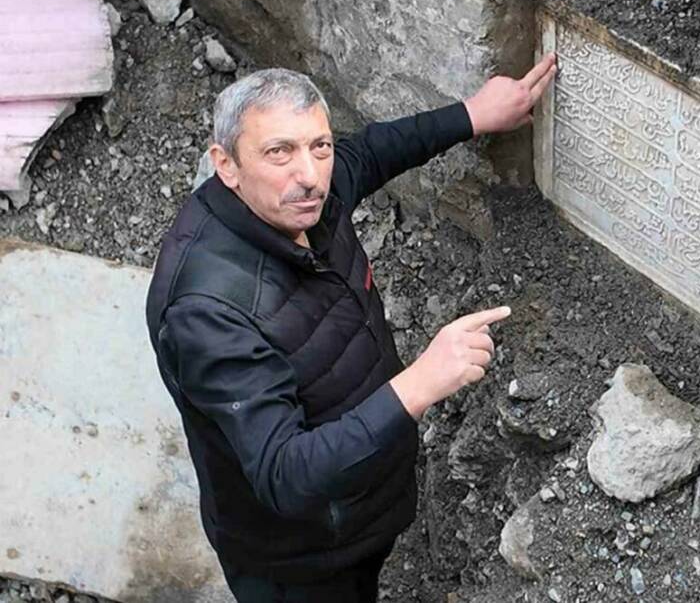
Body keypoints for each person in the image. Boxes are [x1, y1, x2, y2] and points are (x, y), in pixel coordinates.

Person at [144, 53, 557, 602]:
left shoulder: (303, 198)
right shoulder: (206, 313)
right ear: (227, 165)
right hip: (300, 560)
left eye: (319, 146)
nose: (309, 175)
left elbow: (372, 151)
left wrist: (473, 115)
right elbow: (286, 473)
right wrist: (420, 383)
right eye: (278, 152)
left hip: (361, 509)